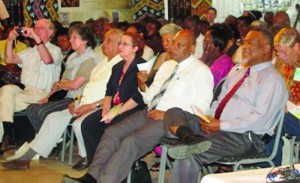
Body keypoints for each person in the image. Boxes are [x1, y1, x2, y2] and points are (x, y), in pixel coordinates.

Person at [62, 29, 214, 183]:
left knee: (131, 141)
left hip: (169, 120)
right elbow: (150, 96)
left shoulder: (201, 71)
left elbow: (201, 110)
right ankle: (92, 177)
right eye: (173, 43)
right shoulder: (167, 66)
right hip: (149, 111)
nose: (173, 48)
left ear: (192, 48)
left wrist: (167, 114)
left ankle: (106, 180)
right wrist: (142, 85)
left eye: (179, 45)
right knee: (113, 132)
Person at [163, 28, 288, 183]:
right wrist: (207, 118)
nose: (245, 47)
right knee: (174, 112)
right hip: (216, 127)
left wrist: (221, 125)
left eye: (251, 43)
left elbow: (258, 120)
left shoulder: (272, 80)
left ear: (267, 48)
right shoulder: (238, 72)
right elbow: (219, 101)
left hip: (243, 136)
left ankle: (192, 143)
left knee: (188, 154)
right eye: (244, 42)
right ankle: (189, 137)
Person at [0, 29, 124, 170]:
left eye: (109, 40)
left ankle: (48, 150)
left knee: (49, 114)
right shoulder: (102, 62)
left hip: (98, 106)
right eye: (104, 39)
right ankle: (30, 154)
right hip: (79, 100)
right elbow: (86, 87)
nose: (103, 44)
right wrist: (77, 102)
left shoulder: (114, 63)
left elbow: (112, 94)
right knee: (51, 117)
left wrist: (90, 105)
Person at [74, 31, 147, 169]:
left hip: (133, 109)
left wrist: (116, 113)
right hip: (115, 107)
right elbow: (109, 91)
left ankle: (112, 166)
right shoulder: (117, 66)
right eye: (120, 43)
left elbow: (138, 97)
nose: (121, 46)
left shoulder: (143, 66)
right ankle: (97, 163)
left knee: (111, 127)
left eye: (125, 44)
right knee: (88, 124)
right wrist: (106, 109)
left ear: (135, 48)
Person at [0, 19, 63, 152]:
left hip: (42, 93)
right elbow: (9, 60)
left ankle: (6, 137)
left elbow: (47, 60)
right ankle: (8, 135)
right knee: (5, 89)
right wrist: (10, 40)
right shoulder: (29, 51)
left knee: (3, 103)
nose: (36, 30)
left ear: (50, 32)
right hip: (25, 90)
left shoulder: (55, 50)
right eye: (35, 27)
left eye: (40, 28)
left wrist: (35, 36)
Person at [25, 24, 99, 132]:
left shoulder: (90, 59)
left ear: (85, 40)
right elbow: (64, 82)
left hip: (78, 99)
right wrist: (48, 97)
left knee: (41, 111)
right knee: (31, 109)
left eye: (75, 37)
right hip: (66, 96)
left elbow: (75, 85)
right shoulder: (73, 58)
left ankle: (51, 140)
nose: (71, 40)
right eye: (71, 37)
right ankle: (48, 139)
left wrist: (60, 84)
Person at [265, 27, 300, 166]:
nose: (280, 56)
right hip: (286, 111)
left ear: (297, 47)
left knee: (273, 120)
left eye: (284, 52)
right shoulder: (280, 63)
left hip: (297, 115)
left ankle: (273, 166)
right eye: (278, 52)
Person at [199, 24, 234, 88]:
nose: (204, 45)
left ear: (216, 47)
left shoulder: (224, 64)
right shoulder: (211, 59)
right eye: (204, 41)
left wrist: (204, 58)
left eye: (207, 42)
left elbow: (201, 86)